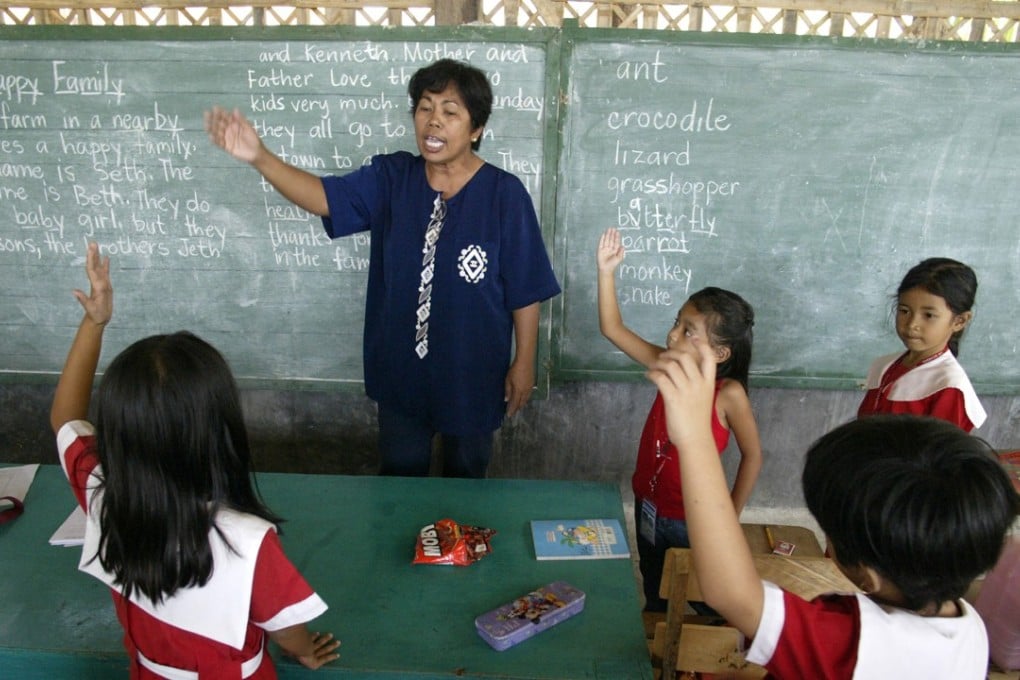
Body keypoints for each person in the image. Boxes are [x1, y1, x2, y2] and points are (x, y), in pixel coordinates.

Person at [204, 58, 560, 479]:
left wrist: (524, 363)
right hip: (401, 375)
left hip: (474, 374)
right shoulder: (392, 177)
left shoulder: (505, 194)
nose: (433, 122)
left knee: (467, 484)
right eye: (424, 108)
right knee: (398, 481)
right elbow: (324, 198)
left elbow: (524, 287)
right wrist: (259, 157)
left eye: (450, 111)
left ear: (477, 129)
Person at [50, 243, 340, 678]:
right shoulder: (246, 540)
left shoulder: (103, 494)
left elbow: (65, 419)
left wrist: (95, 323)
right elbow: (284, 627)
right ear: (217, 434)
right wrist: (305, 652)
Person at [648, 342, 1019, 679]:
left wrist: (695, 436)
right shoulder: (970, 631)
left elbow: (729, 593)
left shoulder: (848, 647)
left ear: (868, 576)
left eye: (831, 531)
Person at [596, 227, 762, 612]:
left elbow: (753, 455)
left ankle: (708, 663)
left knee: (708, 601)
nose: (672, 336)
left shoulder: (729, 395)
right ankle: (656, 648)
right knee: (655, 588)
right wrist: (607, 273)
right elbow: (612, 329)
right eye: (677, 322)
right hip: (649, 502)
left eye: (688, 331)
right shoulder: (668, 365)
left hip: (697, 518)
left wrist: (729, 516)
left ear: (720, 353)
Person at [858, 257, 986, 431]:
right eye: (904, 311)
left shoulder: (949, 386)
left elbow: (940, 455)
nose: (912, 324)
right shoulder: (885, 366)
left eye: (928, 315)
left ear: (959, 321)